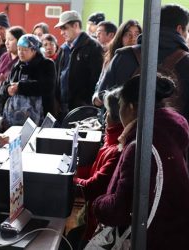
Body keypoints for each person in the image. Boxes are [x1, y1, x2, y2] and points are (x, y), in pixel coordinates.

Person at [95, 5, 189, 197]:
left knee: (120, 207)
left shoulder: (123, 57)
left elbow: (103, 98)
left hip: (120, 154)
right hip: (172, 165)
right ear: (180, 29)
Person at [92, 74, 189, 250]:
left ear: (131, 108)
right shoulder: (167, 131)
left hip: (158, 239)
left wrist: (97, 203)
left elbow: (119, 210)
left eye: (121, 105)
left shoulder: (141, 146)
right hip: (184, 235)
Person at [65, 87, 123, 250]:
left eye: (108, 113)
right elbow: (94, 170)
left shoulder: (118, 150)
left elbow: (93, 186)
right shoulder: (111, 141)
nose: (104, 117)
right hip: (91, 218)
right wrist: (74, 171)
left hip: (98, 227)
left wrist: (69, 180)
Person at [54, 10, 103, 120]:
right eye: (61, 29)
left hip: (83, 110)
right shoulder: (63, 49)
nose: (62, 32)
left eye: (64, 28)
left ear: (76, 25)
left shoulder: (93, 47)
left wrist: (86, 103)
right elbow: (57, 76)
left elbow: (97, 79)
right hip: (63, 108)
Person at [1, 34, 55, 126]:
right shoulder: (17, 66)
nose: (21, 53)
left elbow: (47, 87)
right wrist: (7, 89)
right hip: (15, 120)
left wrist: (20, 87)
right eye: (19, 49)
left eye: (25, 50)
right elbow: (3, 87)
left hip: (40, 119)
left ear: (34, 50)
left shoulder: (46, 64)